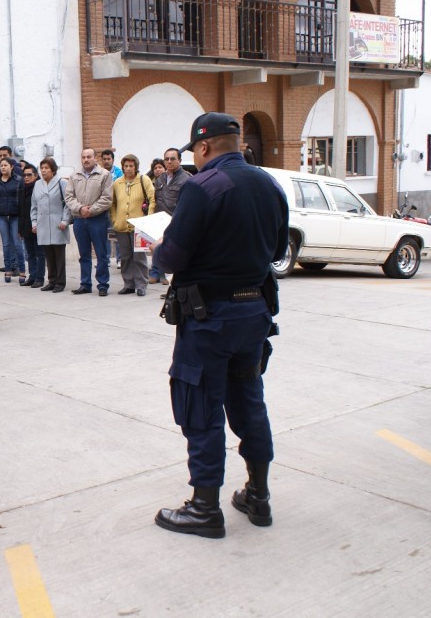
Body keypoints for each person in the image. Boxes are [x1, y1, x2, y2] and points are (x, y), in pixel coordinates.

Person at [152, 112, 288, 540]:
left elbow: (171, 259)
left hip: (210, 319)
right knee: (249, 400)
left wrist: (159, 246)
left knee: (201, 407)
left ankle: (204, 507)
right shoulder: (271, 185)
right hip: (254, 314)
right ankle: (258, 495)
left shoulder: (203, 187)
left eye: (195, 150)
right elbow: (280, 248)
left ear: (204, 147)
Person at [64, 148, 113, 296]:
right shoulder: (74, 176)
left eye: (89, 157)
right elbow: (68, 197)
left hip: (97, 219)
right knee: (84, 254)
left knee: (101, 254)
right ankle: (85, 284)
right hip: (79, 220)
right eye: (83, 157)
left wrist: (91, 210)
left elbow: (107, 198)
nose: (86, 160)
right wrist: (80, 209)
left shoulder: (105, 175)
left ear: (95, 158)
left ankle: (103, 285)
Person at [110, 154, 154, 297]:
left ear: (136, 167)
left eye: (131, 166)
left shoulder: (143, 180)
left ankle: (141, 284)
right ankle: (128, 284)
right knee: (125, 256)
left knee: (139, 257)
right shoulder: (117, 183)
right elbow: (113, 203)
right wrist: (115, 219)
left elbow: (152, 198)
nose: (128, 169)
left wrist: (148, 219)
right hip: (122, 225)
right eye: (126, 166)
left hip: (139, 225)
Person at [150, 148, 189, 285]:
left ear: (179, 160)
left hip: (176, 222)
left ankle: (173, 284)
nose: (169, 161)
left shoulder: (186, 179)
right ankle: (158, 276)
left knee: (175, 255)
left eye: (173, 159)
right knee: (159, 250)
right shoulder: (160, 179)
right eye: (166, 159)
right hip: (160, 222)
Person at [31, 157, 70, 292]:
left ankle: (60, 282)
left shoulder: (62, 183)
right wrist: (34, 222)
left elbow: (67, 204)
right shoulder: (37, 184)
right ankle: (52, 280)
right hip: (43, 224)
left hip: (58, 223)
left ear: (53, 170)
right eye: (42, 168)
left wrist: (65, 220)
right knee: (48, 255)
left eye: (46, 168)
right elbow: (34, 205)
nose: (43, 170)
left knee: (59, 255)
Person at [0, 156, 23, 278]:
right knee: (5, 243)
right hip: (2, 216)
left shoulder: (18, 180)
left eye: (5, 165)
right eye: (1, 165)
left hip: (15, 216)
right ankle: (8, 269)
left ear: (11, 167)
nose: (3, 167)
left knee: (17, 242)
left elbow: (21, 197)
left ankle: (20, 268)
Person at [17, 161, 44, 288]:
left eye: (29, 175)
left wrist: (37, 225)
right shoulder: (22, 189)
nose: (26, 177)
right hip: (25, 226)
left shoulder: (39, 189)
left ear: (35, 176)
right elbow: (21, 210)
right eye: (24, 175)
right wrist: (20, 229)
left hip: (37, 227)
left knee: (40, 254)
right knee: (30, 254)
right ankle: (32, 276)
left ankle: (40, 278)